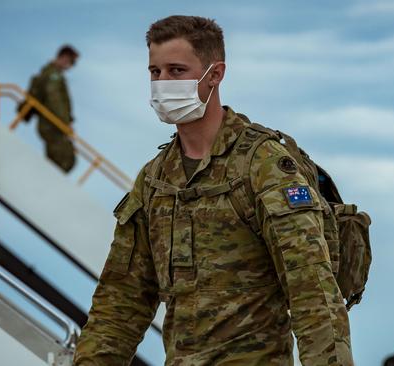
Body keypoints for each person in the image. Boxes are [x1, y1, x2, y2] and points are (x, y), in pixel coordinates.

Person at [73, 15, 353, 366]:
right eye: (154, 72)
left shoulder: (263, 166)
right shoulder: (156, 180)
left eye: (176, 71)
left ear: (215, 74)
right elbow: (120, 302)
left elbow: (313, 294)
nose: (162, 83)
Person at [31, 45, 79, 173]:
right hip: (52, 124)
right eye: (71, 62)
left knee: (59, 161)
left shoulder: (52, 74)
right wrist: (65, 123)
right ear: (64, 58)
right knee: (62, 162)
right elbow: (55, 102)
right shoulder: (53, 75)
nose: (70, 66)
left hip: (53, 124)